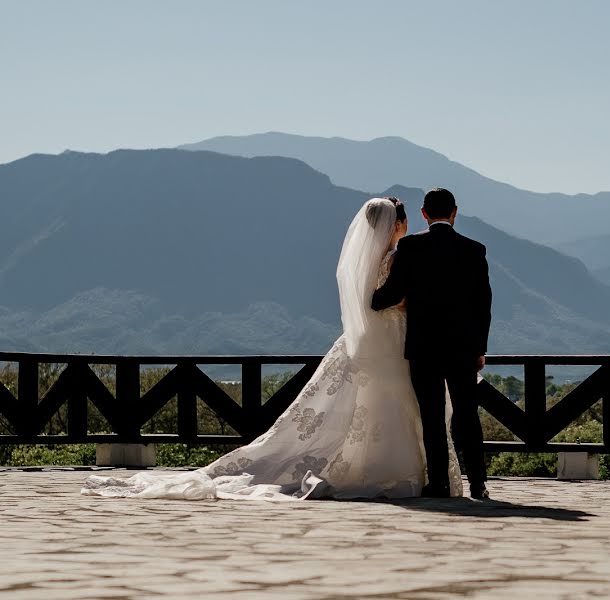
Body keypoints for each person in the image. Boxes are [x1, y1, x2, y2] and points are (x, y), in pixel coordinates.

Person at [82, 198, 463, 501]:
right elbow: (386, 300)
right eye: (404, 219)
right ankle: (398, 471)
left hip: (366, 341)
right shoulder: (398, 257)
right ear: (397, 224)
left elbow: (367, 301)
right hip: (394, 341)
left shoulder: (367, 262)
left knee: (367, 406)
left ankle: (377, 465)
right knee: (397, 403)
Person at [372, 188, 492, 499]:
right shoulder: (474, 250)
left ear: (424, 214)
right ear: (455, 212)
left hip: (423, 346)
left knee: (432, 416)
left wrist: (370, 301)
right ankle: (478, 482)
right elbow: (483, 306)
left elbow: (393, 291)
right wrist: (480, 348)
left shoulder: (411, 248)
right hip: (463, 348)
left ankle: (438, 482)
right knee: (467, 415)